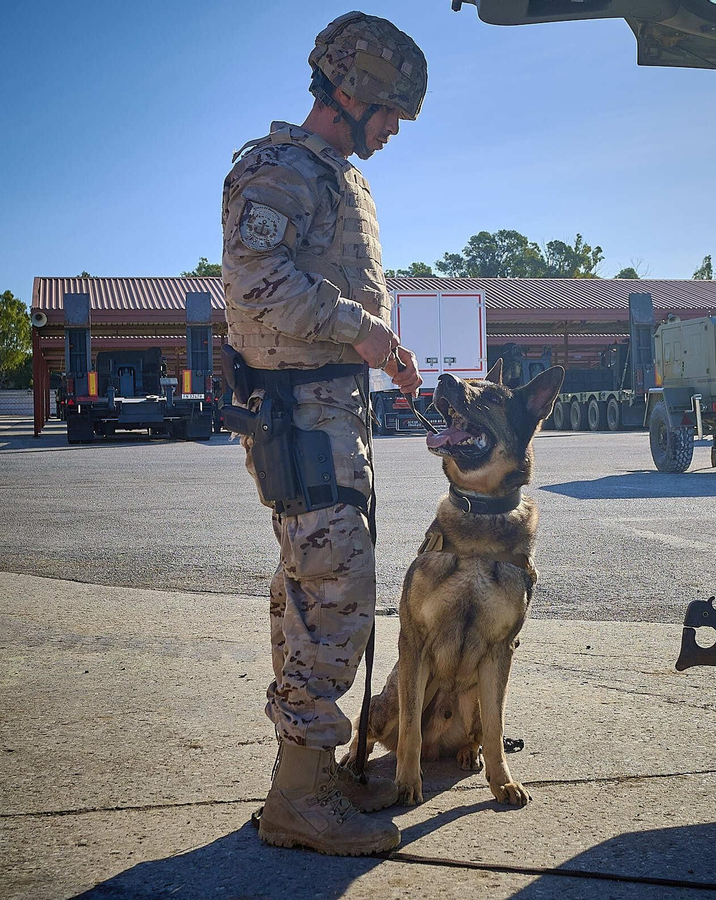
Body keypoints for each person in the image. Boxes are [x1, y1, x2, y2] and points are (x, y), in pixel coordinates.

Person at [220, 11, 425, 856]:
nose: (391, 132)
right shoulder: (278, 168)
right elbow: (256, 283)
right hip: (300, 417)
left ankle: (301, 782)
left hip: (330, 413)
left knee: (310, 593)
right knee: (332, 596)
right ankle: (303, 800)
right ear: (349, 93)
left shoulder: (339, 176)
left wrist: (383, 352)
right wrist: (358, 329)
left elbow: (335, 307)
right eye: (388, 115)